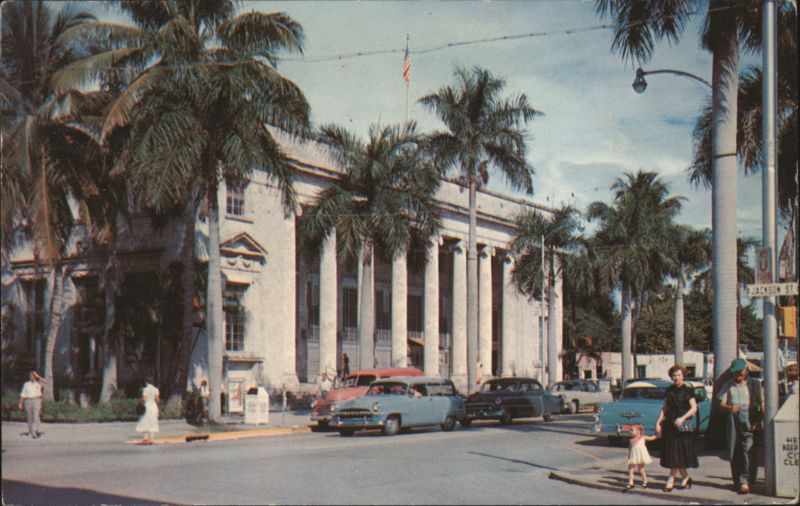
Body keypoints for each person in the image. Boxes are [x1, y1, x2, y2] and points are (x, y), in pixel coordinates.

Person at [718, 358, 764, 495]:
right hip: (734, 418)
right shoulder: (728, 384)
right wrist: (729, 408)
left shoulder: (755, 384)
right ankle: (737, 480)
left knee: (748, 449)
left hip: (750, 417)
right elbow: (721, 402)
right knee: (734, 449)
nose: (738, 375)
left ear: (746, 371)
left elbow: (762, 404)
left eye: (740, 372)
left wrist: (759, 420)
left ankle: (746, 480)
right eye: (735, 372)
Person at [656, 364, 698, 492]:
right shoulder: (669, 391)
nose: (676, 378)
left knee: (678, 453)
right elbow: (664, 408)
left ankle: (671, 479)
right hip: (670, 425)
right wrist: (658, 423)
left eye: (679, 375)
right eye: (674, 375)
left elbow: (694, 408)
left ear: (683, 376)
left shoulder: (688, 391)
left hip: (682, 427)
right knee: (674, 453)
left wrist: (682, 418)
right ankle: (685, 478)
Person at [624, 424, 658, 490]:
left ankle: (645, 481)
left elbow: (652, 438)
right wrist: (628, 457)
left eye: (632, 430)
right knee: (631, 469)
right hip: (633, 456)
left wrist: (656, 434)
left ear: (638, 431)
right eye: (630, 430)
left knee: (641, 469)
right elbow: (630, 449)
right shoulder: (631, 440)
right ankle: (631, 483)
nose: (630, 431)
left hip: (640, 456)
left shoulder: (643, 437)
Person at [19, 370, 46, 439]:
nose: (32, 377)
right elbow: (23, 394)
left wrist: (38, 376)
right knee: (29, 416)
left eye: (33, 376)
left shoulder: (38, 383)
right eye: (31, 376)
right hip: (28, 400)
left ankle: (34, 431)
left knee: (36, 416)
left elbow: (45, 382)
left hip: (37, 400)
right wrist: (20, 403)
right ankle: (31, 430)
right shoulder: (26, 384)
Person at [135, 378, 160, 445]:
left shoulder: (145, 389)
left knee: (144, 421)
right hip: (154, 406)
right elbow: (157, 400)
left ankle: (145, 439)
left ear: (146, 382)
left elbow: (144, 398)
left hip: (147, 406)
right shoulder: (156, 389)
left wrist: (140, 401)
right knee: (153, 422)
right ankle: (151, 439)